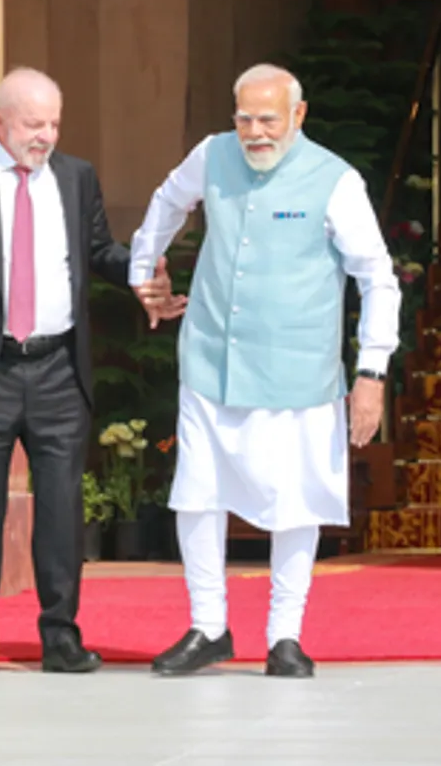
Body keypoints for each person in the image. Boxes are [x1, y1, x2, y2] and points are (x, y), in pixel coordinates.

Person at [0, 67, 180, 677]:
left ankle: (61, 636)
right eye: (32, 124)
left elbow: (97, 249)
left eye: (53, 123)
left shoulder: (74, 179)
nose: (44, 136)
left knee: (61, 509)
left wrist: (142, 276)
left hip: (57, 369)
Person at [128, 63, 401, 678]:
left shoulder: (336, 180)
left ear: (298, 116)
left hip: (298, 370)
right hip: (210, 359)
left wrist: (372, 373)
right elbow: (168, 201)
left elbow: (378, 278)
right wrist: (145, 269)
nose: (255, 133)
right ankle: (208, 626)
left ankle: (285, 636)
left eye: (268, 119)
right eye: (245, 118)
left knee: (296, 501)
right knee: (197, 495)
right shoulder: (213, 155)